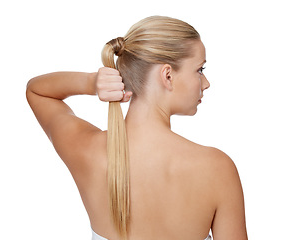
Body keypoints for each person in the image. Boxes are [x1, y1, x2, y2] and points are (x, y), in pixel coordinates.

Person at [26, 16, 248, 240]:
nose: (206, 82)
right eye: (200, 70)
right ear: (168, 75)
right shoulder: (217, 169)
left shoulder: (88, 151)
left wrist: (90, 83)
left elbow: (37, 91)